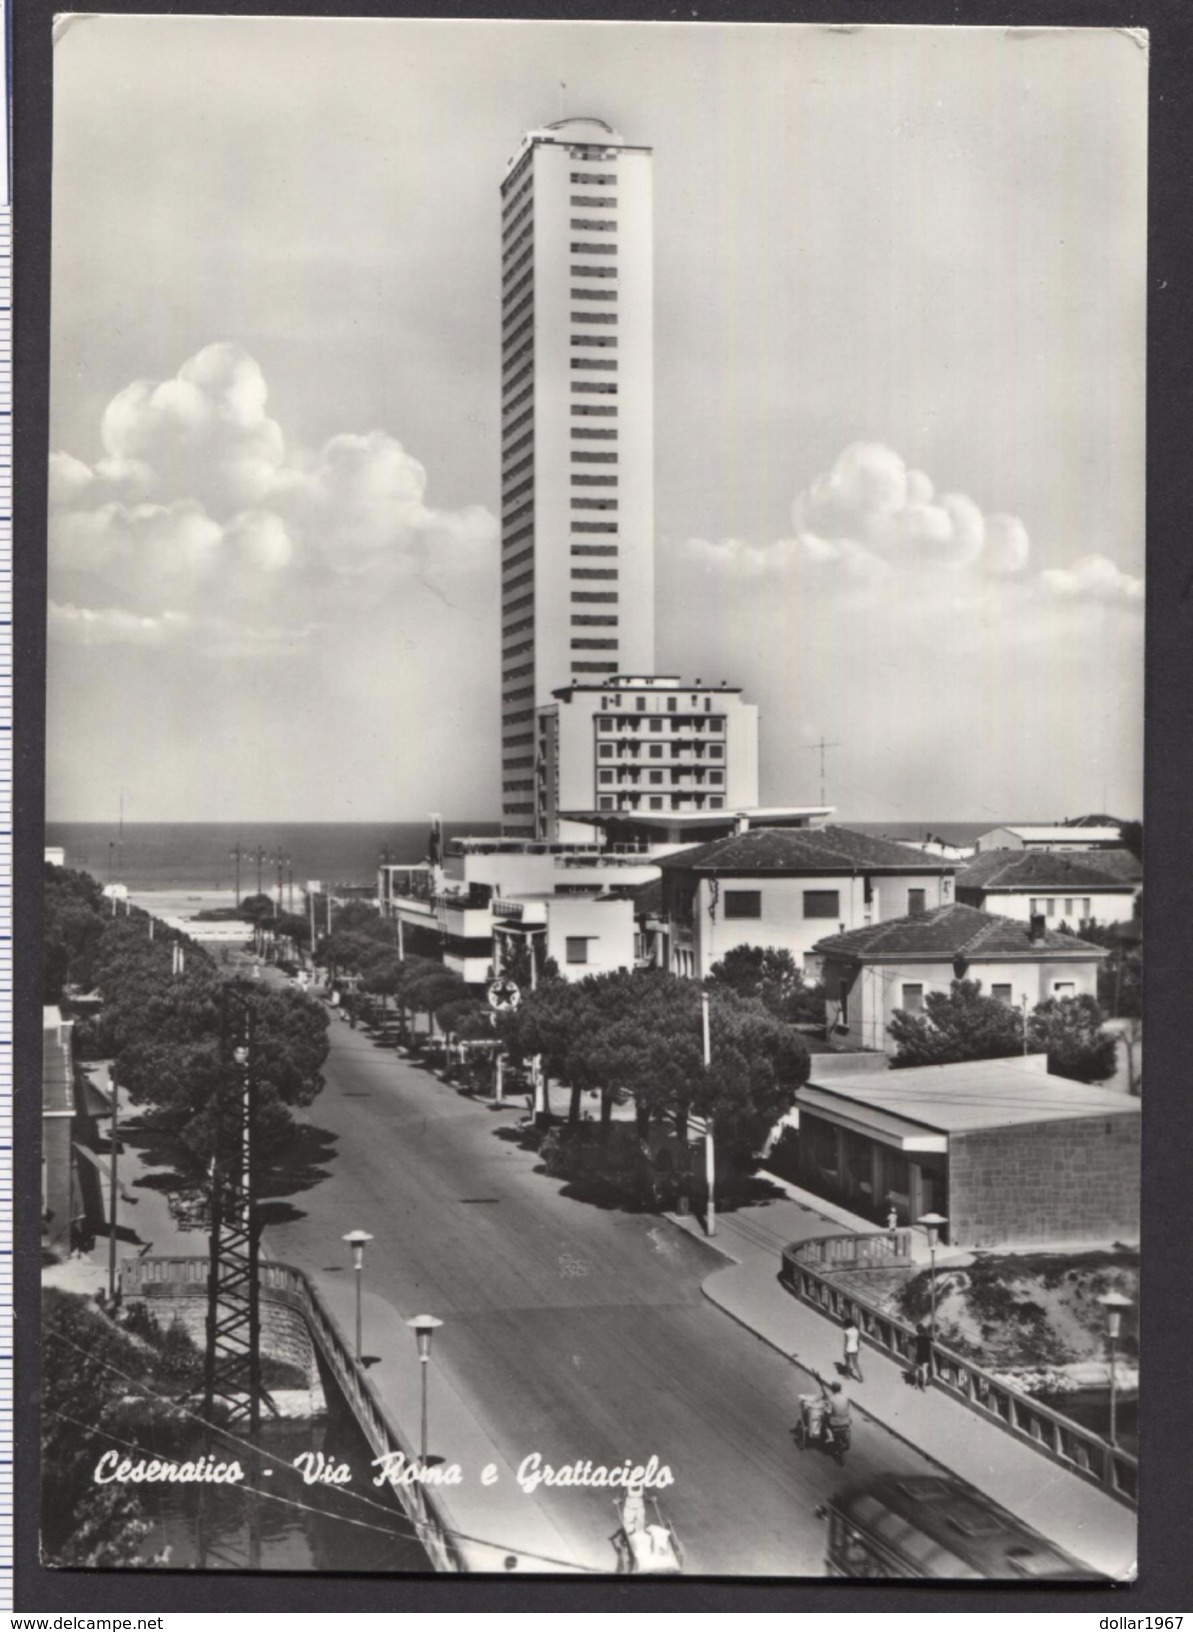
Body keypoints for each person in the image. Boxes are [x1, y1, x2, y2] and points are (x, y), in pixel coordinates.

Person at [820, 1379, 852, 1451]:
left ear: (832, 1389)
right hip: (846, 1421)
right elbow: (848, 1408)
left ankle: (830, 1437)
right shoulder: (846, 1398)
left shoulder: (831, 1399)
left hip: (834, 1422)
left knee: (825, 1423)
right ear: (840, 1389)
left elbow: (827, 1412)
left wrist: (824, 1417)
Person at [843, 1313, 864, 1382]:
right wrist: (858, 1348)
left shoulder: (846, 1332)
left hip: (849, 1348)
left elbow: (846, 1342)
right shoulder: (856, 1331)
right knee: (855, 1363)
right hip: (855, 1348)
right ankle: (860, 1376)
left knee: (848, 1362)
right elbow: (858, 1341)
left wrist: (844, 1350)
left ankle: (848, 1375)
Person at [914, 1321, 933, 1390]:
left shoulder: (917, 1338)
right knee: (924, 1371)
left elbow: (916, 1348)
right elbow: (932, 1339)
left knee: (917, 1369)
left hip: (919, 1356)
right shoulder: (928, 1339)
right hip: (926, 1357)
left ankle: (916, 1384)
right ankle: (923, 1386)